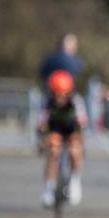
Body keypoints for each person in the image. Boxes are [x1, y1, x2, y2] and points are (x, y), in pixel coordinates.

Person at [39, 70, 87, 207]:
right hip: (55, 129)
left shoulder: (76, 101)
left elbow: (81, 124)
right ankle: (48, 188)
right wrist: (43, 140)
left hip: (71, 129)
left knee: (74, 151)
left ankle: (75, 181)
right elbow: (41, 124)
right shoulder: (46, 101)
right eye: (56, 94)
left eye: (63, 94)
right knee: (53, 151)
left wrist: (80, 144)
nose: (60, 98)